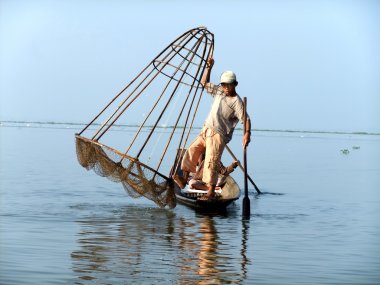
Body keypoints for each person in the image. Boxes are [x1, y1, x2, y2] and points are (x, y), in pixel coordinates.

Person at [173, 57, 251, 200]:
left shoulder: (236, 102)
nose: (226, 88)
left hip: (218, 135)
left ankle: (210, 192)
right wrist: (209, 67)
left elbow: (246, 120)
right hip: (206, 129)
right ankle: (184, 179)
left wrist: (247, 134)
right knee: (192, 150)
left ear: (235, 84)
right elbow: (204, 83)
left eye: (229, 85)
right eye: (224, 85)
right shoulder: (219, 91)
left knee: (211, 161)